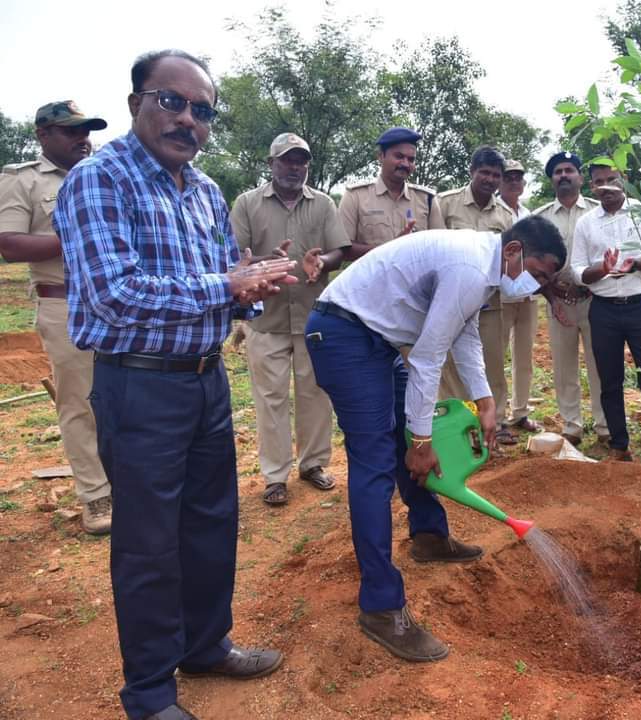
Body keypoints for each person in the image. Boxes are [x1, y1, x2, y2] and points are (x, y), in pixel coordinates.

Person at [53, 49, 293, 720]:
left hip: (206, 381)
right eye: (173, 102)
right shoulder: (100, 181)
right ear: (136, 103)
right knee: (150, 544)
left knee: (212, 525)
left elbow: (224, 280)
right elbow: (113, 296)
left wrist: (250, 289)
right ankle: (152, 693)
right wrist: (227, 285)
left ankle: (206, 645)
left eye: (203, 110)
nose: (189, 120)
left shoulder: (207, 191)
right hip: (139, 389)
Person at [305, 215, 565, 661]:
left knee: (409, 430)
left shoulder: (483, 268)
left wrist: (484, 400)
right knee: (376, 462)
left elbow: (463, 336)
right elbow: (428, 359)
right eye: (537, 273)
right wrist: (422, 444)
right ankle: (382, 608)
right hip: (343, 335)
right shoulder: (470, 266)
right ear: (514, 251)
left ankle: (427, 536)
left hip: (375, 339)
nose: (537, 285)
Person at [0, 100, 112, 535]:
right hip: (64, 303)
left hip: (119, 302)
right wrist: (78, 241)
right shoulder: (22, 180)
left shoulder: (105, 175)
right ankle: (96, 496)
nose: (82, 139)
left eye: (86, 130)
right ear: (43, 135)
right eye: (71, 131)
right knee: (80, 402)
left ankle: (127, 483)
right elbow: (8, 243)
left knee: (125, 396)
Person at [231, 132, 351, 506]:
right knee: (270, 398)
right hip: (264, 319)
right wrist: (263, 266)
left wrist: (323, 262)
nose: (294, 167)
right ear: (271, 164)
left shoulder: (323, 204)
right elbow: (236, 258)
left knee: (315, 393)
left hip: (313, 318)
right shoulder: (247, 204)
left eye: (300, 161)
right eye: (286, 160)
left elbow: (339, 250)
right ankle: (275, 475)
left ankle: (312, 464)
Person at [571, 163, 641, 469]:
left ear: (623, 180)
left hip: (640, 304)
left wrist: (633, 264)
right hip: (603, 308)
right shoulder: (585, 223)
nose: (606, 187)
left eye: (612, 180)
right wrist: (603, 270)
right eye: (599, 182)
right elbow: (579, 271)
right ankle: (619, 446)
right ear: (591, 186)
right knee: (609, 379)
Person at [437, 147, 516, 442]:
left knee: (492, 363)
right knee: (452, 367)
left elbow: (510, 258)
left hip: (489, 304)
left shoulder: (505, 215)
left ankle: (496, 423)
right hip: (451, 303)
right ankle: (458, 426)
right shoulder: (445, 204)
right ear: (471, 171)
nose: (489, 179)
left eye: (496, 175)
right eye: (484, 172)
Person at [532, 151, 608, 446]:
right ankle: (572, 426)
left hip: (596, 298)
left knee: (599, 364)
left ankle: (604, 426)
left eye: (569, 170)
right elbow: (531, 260)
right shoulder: (540, 218)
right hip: (559, 300)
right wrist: (550, 293)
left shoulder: (599, 211)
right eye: (557, 172)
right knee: (564, 367)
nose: (563, 175)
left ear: (580, 177)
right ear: (552, 179)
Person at [337, 127, 443, 252]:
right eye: (399, 156)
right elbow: (343, 248)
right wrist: (391, 250)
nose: (405, 164)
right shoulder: (355, 196)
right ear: (381, 156)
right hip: (373, 272)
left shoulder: (427, 199)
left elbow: (439, 246)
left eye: (411, 159)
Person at [497, 159, 541, 434]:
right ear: (500, 181)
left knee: (524, 357)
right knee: (496, 357)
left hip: (527, 295)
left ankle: (520, 411)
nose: (514, 181)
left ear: (524, 183)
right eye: (508, 177)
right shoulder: (493, 212)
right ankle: (498, 417)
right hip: (499, 296)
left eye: (518, 177)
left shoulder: (529, 214)